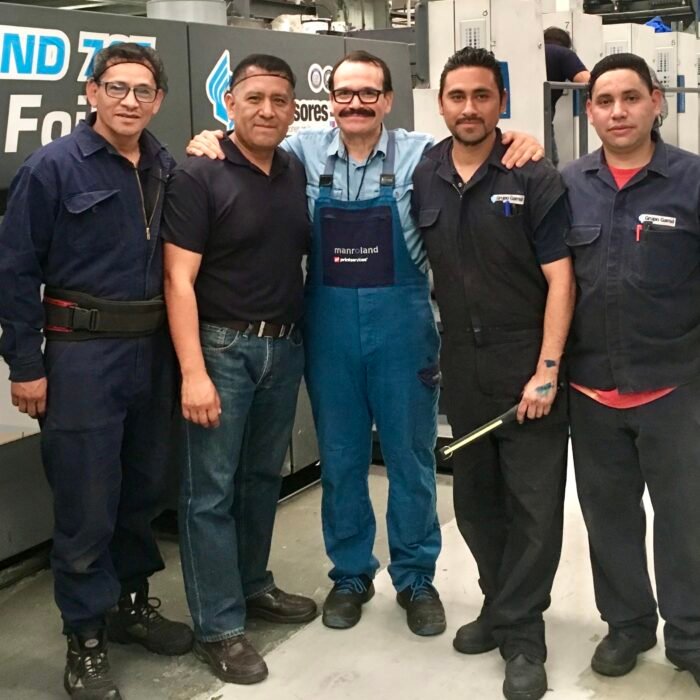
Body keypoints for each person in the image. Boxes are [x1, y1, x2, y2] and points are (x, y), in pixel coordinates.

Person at [187, 50, 543, 638]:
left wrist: (519, 141)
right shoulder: (299, 153)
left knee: (410, 456)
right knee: (342, 457)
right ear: (330, 100)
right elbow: (243, 147)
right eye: (344, 93)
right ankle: (351, 574)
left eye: (368, 93)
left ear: (388, 99)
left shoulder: (424, 155)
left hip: (403, 327)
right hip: (328, 329)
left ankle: (416, 577)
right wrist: (211, 140)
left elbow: (480, 147)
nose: (355, 103)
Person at [0, 43, 193, 700]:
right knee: (86, 502)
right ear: (92, 92)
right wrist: (25, 365)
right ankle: (84, 636)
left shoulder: (166, 167)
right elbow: (14, 272)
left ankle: (129, 604)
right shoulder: (51, 168)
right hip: (82, 357)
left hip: (152, 354)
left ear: (158, 99)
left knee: (143, 488)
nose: (129, 101)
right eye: (116, 87)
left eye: (142, 90)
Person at [411, 47, 574, 700]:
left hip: (526, 364)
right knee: (477, 503)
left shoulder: (533, 175)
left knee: (534, 509)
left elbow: (561, 280)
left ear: (501, 102)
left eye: (482, 95)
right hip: (463, 368)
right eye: (457, 96)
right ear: (441, 103)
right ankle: (498, 604)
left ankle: (525, 635)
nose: (469, 108)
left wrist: (547, 369)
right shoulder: (426, 172)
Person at [161, 54, 316, 686]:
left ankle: (253, 586)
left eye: (280, 100)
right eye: (254, 98)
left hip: (282, 348)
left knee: (258, 481)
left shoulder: (292, 169)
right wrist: (193, 372)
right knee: (209, 493)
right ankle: (218, 627)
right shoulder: (199, 172)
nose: (267, 110)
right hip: (221, 349)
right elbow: (178, 280)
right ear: (230, 103)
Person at [562, 52, 700, 687]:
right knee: (608, 518)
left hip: (675, 385)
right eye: (605, 101)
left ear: (656, 102)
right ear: (590, 112)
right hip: (591, 388)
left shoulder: (691, 182)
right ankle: (627, 625)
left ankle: (690, 635)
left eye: (630, 98)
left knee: (685, 519)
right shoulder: (566, 185)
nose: (618, 111)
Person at [544, 26, 590, 166]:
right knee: (550, 163)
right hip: (544, 118)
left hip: (517, 116)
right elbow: (587, 80)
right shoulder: (563, 53)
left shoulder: (531, 52)